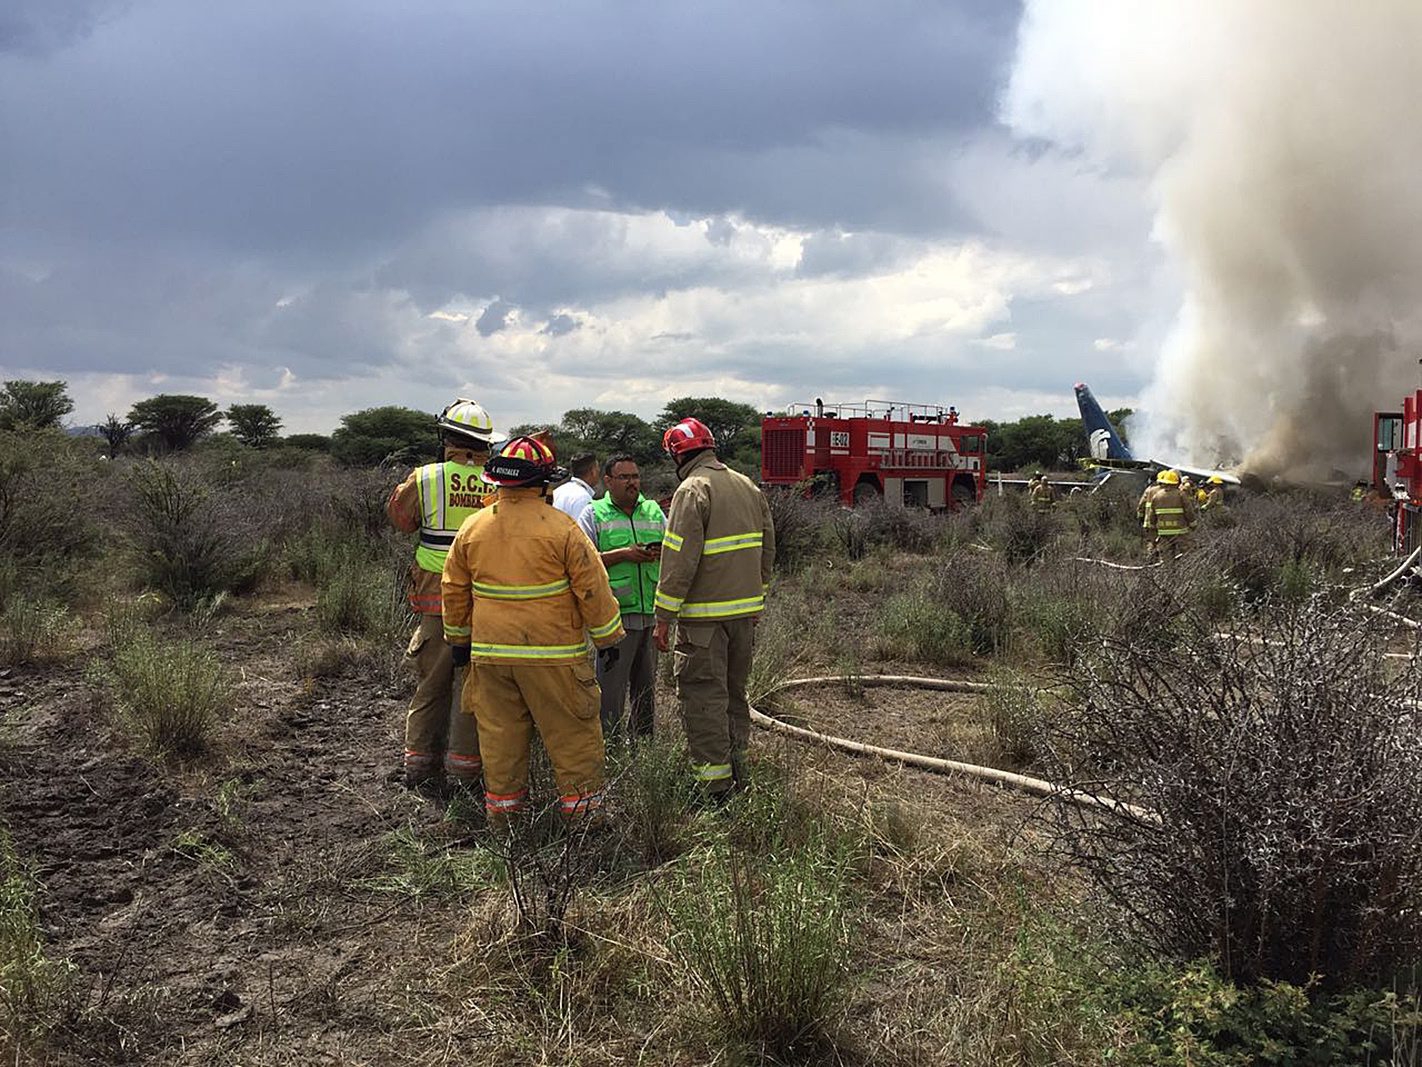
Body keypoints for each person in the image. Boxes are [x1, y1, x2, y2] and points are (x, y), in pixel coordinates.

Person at [441, 436, 625, 826]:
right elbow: (592, 588)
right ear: (542, 483)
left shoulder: (472, 529)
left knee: (500, 743)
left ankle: (507, 827)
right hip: (555, 661)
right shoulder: (563, 529)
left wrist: (458, 642)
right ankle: (585, 825)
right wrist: (608, 639)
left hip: (490, 660)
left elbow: (454, 590)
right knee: (573, 739)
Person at [653, 417, 776, 801]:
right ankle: (738, 770)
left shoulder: (692, 490)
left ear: (677, 455)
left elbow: (678, 560)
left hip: (703, 622)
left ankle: (714, 789)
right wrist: (758, 597)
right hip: (744, 618)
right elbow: (767, 548)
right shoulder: (747, 485)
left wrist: (663, 618)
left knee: (704, 699)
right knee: (735, 696)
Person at [385, 398, 498, 793]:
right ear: (484, 443)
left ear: (446, 437)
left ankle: (420, 766)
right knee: (472, 685)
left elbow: (401, 520)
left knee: (431, 683)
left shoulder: (426, 477)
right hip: (484, 601)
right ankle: (466, 769)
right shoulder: (499, 481)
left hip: (435, 601)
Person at [578, 455, 666, 742]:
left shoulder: (653, 511)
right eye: (625, 477)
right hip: (614, 619)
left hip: (650, 613)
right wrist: (624, 555)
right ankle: (610, 746)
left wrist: (659, 552)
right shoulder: (593, 514)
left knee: (646, 687)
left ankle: (642, 742)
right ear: (608, 481)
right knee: (610, 691)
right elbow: (582, 563)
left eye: (636, 476)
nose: (632, 482)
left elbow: (673, 550)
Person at [1137, 468, 1196, 560]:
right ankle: (1187, 572)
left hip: (1163, 532)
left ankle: (1163, 570)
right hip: (1180, 531)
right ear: (1176, 482)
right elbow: (1188, 510)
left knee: (1166, 557)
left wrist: (1152, 525)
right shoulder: (1181, 495)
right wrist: (1192, 524)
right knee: (1187, 554)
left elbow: (1152, 513)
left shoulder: (1157, 495)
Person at [552, 452, 599, 520]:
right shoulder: (584, 498)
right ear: (593, 471)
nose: (599, 471)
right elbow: (581, 529)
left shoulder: (558, 491)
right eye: (597, 469)